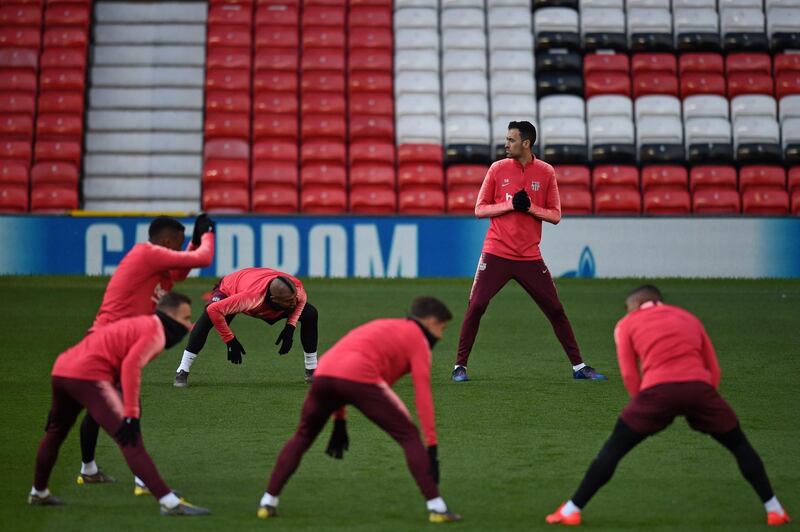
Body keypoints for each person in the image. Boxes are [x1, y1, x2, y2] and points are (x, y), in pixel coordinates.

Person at [545, 285, 791, 527]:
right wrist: (704, 402)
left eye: (627, 307)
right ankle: (775, 511)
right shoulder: (690, 319)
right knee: (739, 444)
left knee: (614, 449)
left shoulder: (626, 324)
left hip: (657, 393)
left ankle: (571, 511)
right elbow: (714, 369)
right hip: (700, 390)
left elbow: (630, 375)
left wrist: (642, 405)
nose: (626, 312)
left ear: (638, 304)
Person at [257, 297, 461, 524]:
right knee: (409, 436)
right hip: (359, 377)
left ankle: (268, 502)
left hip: (322, 375)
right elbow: (422, 394)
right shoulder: (418, 341)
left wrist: (339, 420)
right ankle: (437, 507)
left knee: (303, 436)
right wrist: (431, 446)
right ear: (430, 321)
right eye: (442, 328)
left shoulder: (382, 326)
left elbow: (342, 363)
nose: (441, 336)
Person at [29, 293, 210, 516]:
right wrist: (131, 413)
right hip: (89, 377)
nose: (189, 324)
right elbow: (131, 367)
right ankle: (169, 502)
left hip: (62, 369)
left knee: (55, 431)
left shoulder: (140, 323)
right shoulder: (155, 333)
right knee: (130, 439)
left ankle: (38, 492)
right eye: (185, 318)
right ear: (169, 316)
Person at [452, 120, 606, 382]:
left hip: (529, 256)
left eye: (511, 140)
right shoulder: (497, 169)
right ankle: (459, 367)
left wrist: (530, 208)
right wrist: (510, 205)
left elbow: (556, 215)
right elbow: (480, 209)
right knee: (476, 305)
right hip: (496, 251)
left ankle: (579, 367)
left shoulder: (546, 172)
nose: (506, 144)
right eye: (506, 139)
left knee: (555, 309)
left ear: (526, 143)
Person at [77, 214, 215, 496]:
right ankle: (143, 480)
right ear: (165, 242)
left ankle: (88, 470)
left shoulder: (157, 264)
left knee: (102, 407)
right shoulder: (148, 254)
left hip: (116, 341)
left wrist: (195, 241)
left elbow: (180, 272)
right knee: (129, 407)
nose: (177, 253)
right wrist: (209, 234)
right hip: (108, 342)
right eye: (176, 246)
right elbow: (202, 260)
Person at [174, 267, 319, 387]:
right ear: (274, 299)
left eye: (294, 298)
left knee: (310, 313)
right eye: (289, 301)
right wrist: (230, 340)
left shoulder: (296, 290)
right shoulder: (251, 298)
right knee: (206, 318)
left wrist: (290, 327)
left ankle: (311, 370)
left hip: (260, 289)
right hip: (231, 289)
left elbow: (301, 300)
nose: (293, 303)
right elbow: (214, 310)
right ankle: (182, 370)